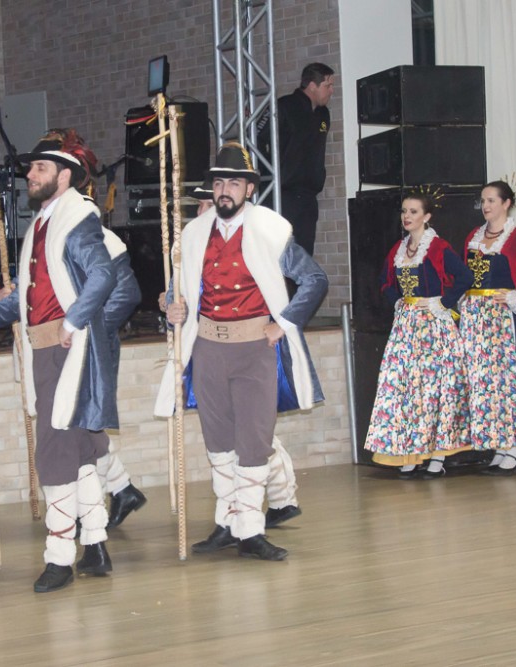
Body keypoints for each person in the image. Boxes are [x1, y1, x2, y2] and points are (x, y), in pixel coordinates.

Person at [0, 130, 141, 593]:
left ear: (65, 175)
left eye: (40, 168)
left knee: (55, 451)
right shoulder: (46, 221)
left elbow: (102, 276)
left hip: (64, 352)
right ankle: (95, 545)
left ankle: (60, 557)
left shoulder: (76, 219)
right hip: (48, 349)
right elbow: (29, 298)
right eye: (31, 167)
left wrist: (75, 321)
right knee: (78, 449)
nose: (30, 174)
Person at [158, 143, 328, 561]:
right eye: (219, 183)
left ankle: (251, 530)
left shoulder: (271, 229)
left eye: (234, 183)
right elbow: (179, 291)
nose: (225, 191)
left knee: (253, 440)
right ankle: (227, 523)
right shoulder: (193, 235)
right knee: (218, 442)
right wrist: (172, 306)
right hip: (208, 350)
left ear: (249, 189)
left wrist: (282, 323)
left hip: (254, 350)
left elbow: (314, 279)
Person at [365, 192, 473, 479]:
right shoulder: (399, 249)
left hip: (434, 328)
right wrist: (398, 301)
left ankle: (437, 457)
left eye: (413, 211)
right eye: (404, 211)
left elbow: (465, 277)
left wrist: (443, 302)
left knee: (435, 390)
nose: (407, 216)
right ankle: (410, 453)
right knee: (407, 390)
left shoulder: (438, 247)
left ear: (427, 216)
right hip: (406, 328)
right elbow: (385, 281)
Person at [459, 180, 516, 475]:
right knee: (485, 383)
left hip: (502, 320)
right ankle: (500, 446)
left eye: (491, 200)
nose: (485, 206)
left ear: (506, 203)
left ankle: (514, 449)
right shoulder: (473, 237)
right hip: (475, 319)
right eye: (483, 200)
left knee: (507, 382)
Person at [257, 62, 335, 256]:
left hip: (308, 196)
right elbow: (256, 138)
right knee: (279, 254)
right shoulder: (283, 106)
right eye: (327, 85)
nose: (331, 91)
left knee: (303, 255)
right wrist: (271, 173)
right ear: (312, 86)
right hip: (282, 194)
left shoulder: (323, 114)